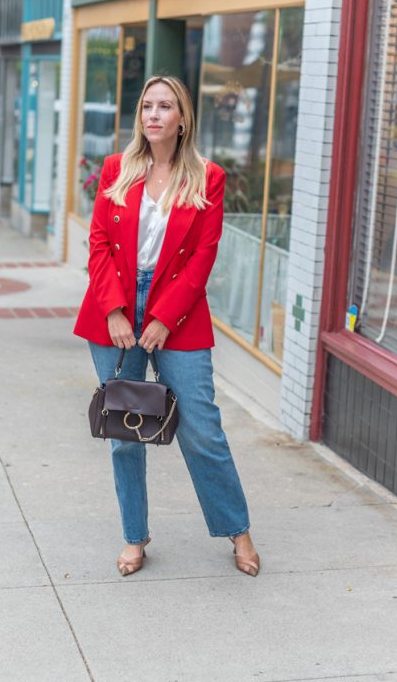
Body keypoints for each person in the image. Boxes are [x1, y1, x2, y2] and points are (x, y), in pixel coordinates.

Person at [74, 75, 260, 578]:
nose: (153, 114)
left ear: (182, 120)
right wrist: (115, 309)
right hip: (114, 306)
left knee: (201, 426)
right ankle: (135, 537)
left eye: (165, 107)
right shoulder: (118, 168)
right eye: (146, 106)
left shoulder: (207, 177)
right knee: (124, 431)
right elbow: (97, 243)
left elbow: (203, 257)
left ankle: (236, 529)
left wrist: (162, 318)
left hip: (177, 310)